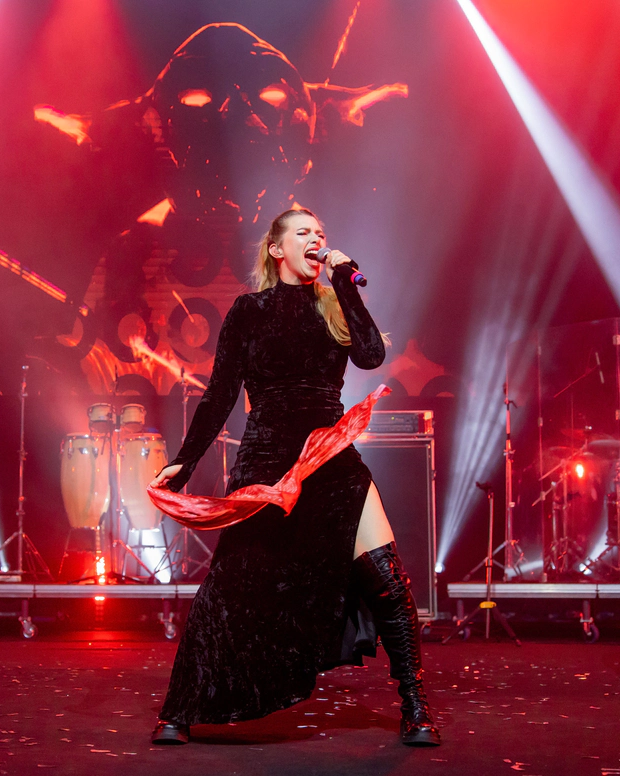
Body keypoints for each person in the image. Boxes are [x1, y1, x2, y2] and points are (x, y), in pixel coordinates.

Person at [146, 208, 441, 746]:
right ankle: (179, 710)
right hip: (267, 459)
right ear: (277, 249)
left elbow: (371, 356)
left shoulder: (334, 303)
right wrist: (185, 461)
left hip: (329, 455)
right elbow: (220, 393)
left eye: (320, 233)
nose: (316, 239)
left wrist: (345, 284)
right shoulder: (249, 310)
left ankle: (415, 707)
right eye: (303, 233)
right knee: (230, 583)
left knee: (387, 576)